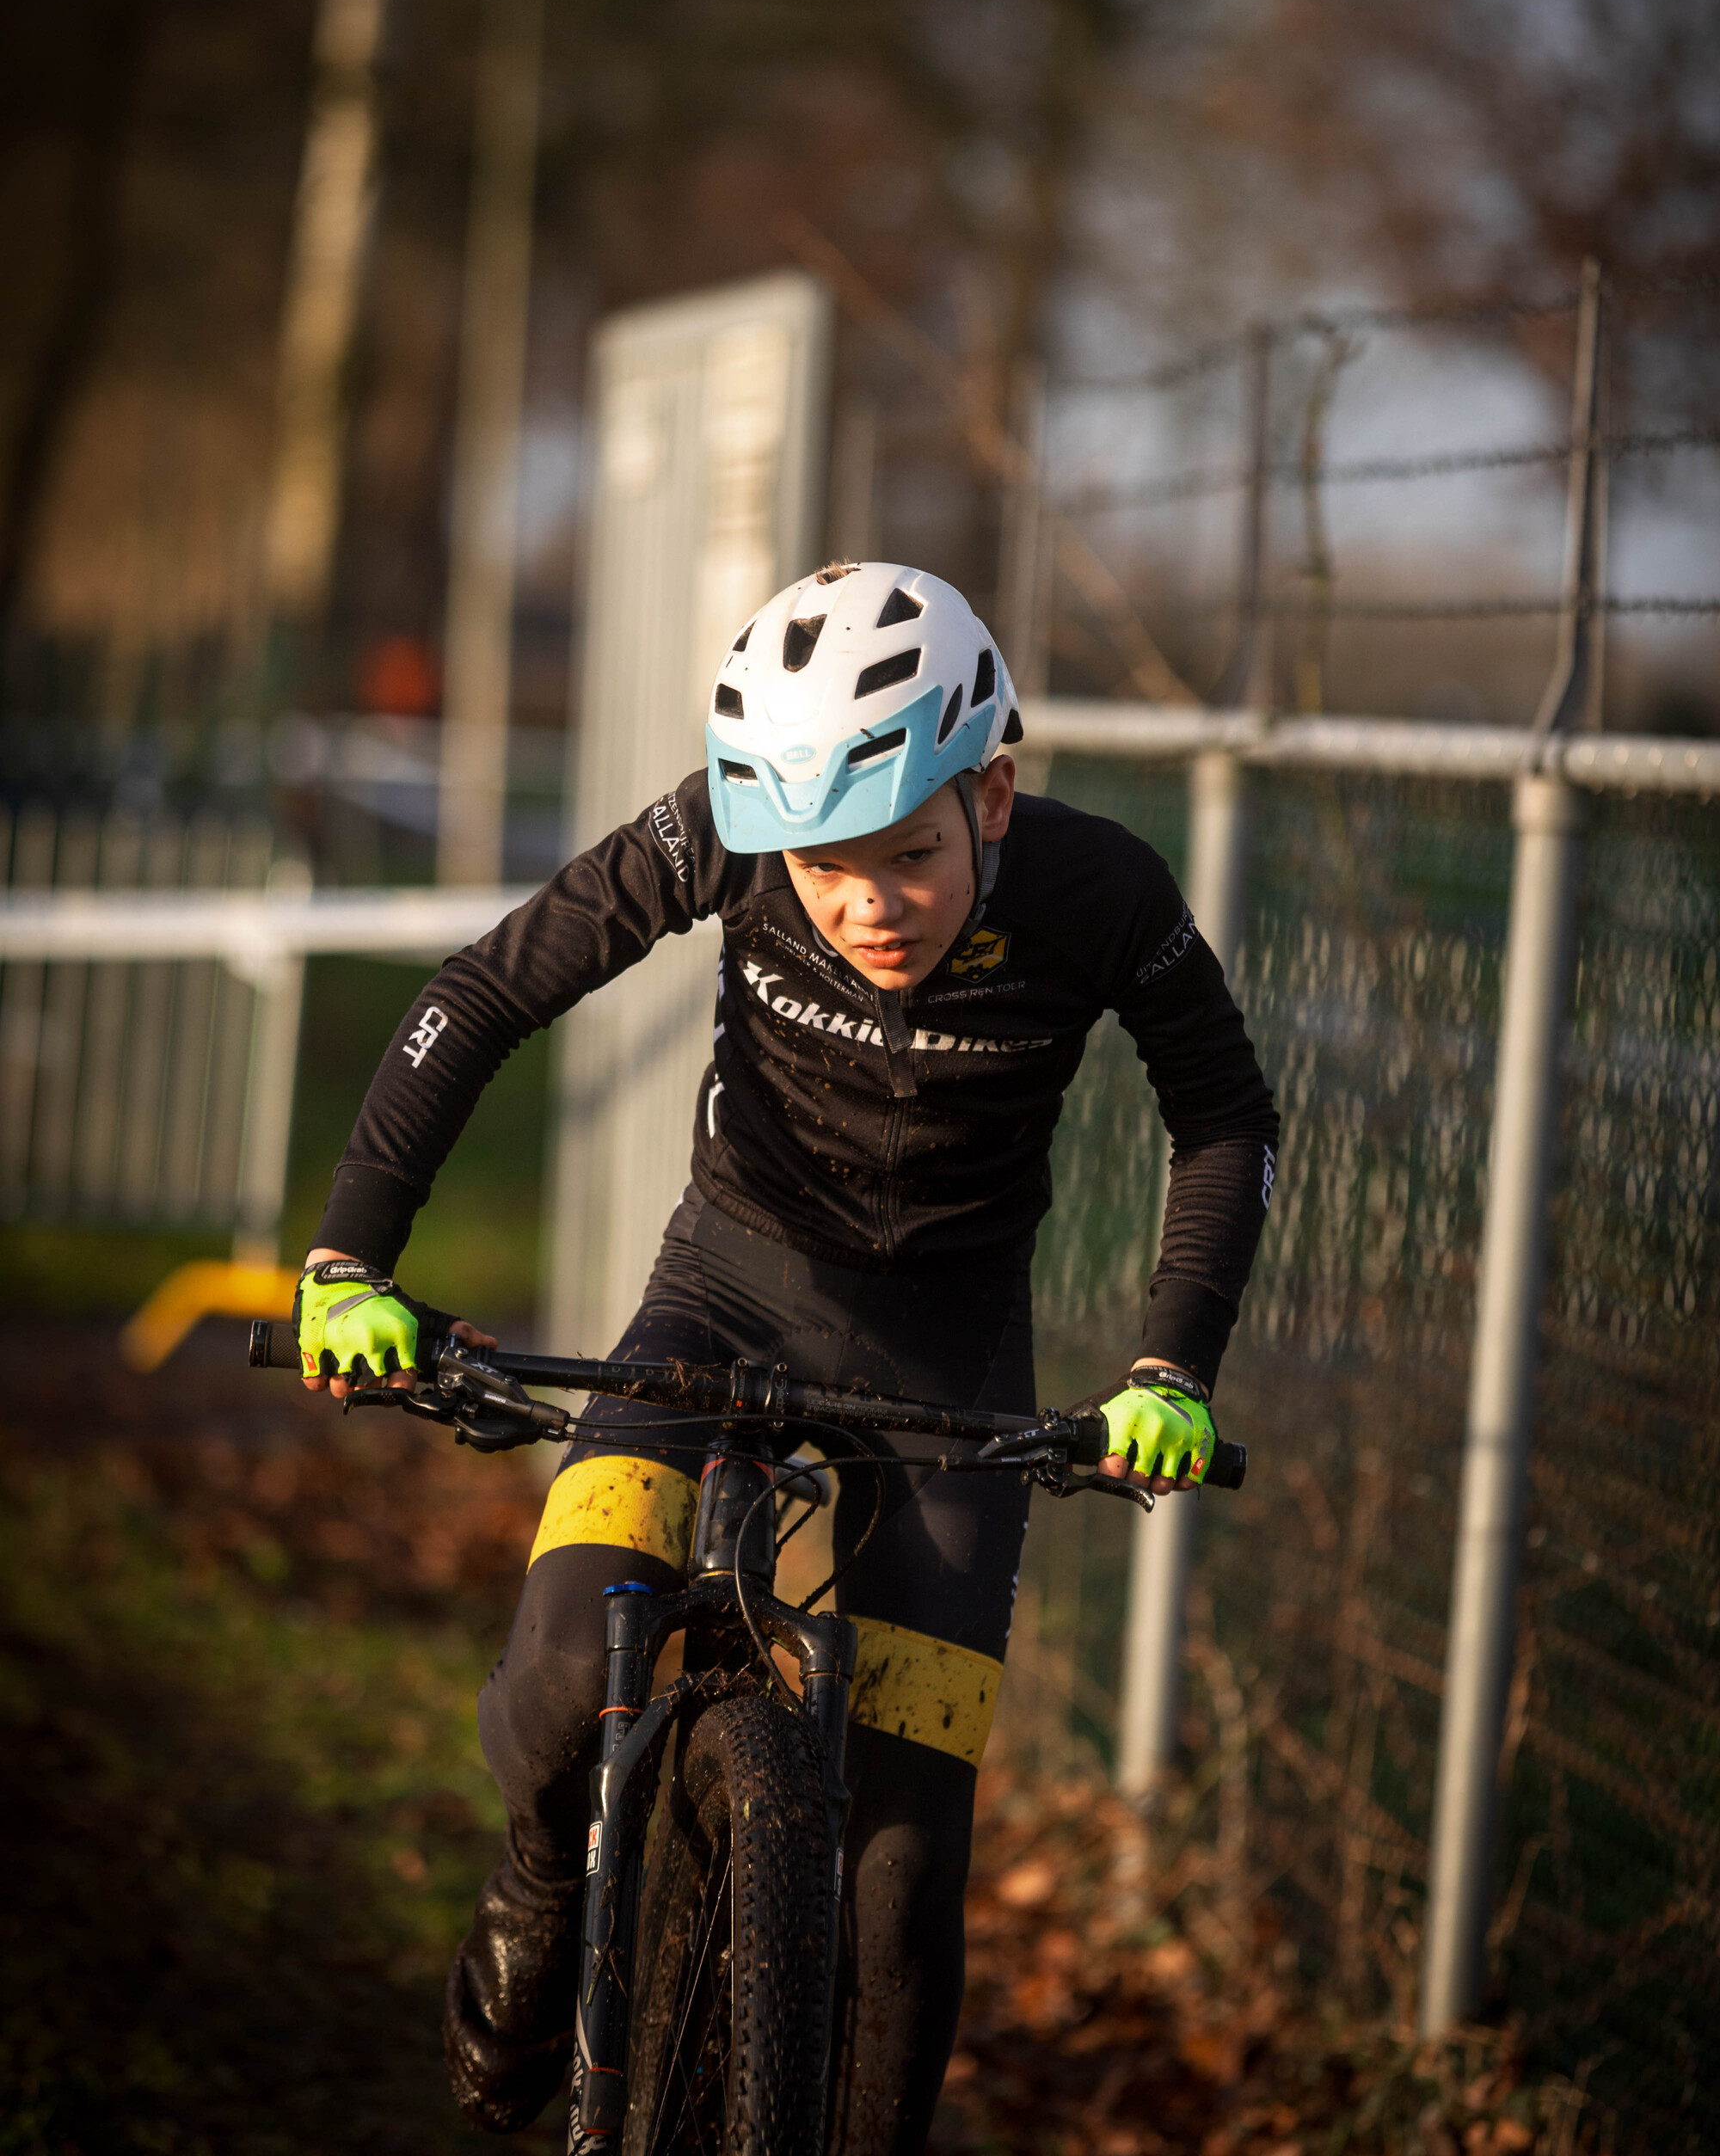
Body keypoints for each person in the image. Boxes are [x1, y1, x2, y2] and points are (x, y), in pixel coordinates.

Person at [293, 560, 1279, 2153]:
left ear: (995, 798)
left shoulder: (1105, 895)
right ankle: (551, 1881)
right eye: (821, 868)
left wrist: (1170, 1369)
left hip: (949, 1357)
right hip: (724, 1290)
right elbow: (481, 995)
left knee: (900, 1883)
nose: (863, 903)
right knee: (559, 1679)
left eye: (907, 853)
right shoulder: (717, 836)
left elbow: (1226, 1118)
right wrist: (349, 1261)